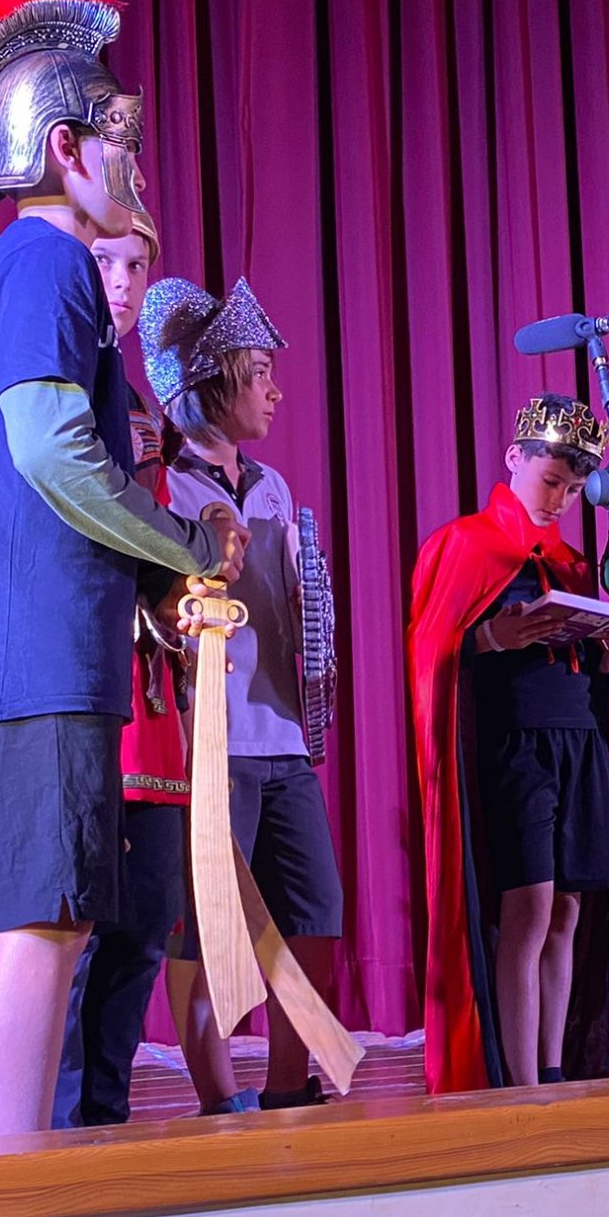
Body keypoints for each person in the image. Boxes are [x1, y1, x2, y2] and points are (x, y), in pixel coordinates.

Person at [0, 0, 245, 1138]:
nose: (135, 171)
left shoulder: (25, 266)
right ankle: (9, 1190)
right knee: (45, 923)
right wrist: (184, 545)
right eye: (121, 145)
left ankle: (18, 1175)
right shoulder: (46, 261)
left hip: (39, 652)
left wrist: (153, 578)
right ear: (65, 147)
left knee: (52, 920)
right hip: (31, 654)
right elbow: (53, 454)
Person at [147, 276, 350, 1113]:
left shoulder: (274, 490)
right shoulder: (163, 490)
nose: (274, 390)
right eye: (259, 371)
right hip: (208, 741)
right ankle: (216, 1097)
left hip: (281, 734)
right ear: (213, 380)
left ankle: (288, 1083)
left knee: (314, 910)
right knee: (208, 925)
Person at [407, 395, 609, 1093]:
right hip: (514, 744)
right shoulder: (465, 544)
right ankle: (520, 1083)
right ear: (514, 459)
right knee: (527, 910)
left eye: (573, 488)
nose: (559, 499)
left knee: (568, 911)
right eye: (550, 480)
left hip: (576, 738)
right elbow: (431, 651)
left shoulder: (575, 564)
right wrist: (491, 637)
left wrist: (606, 644)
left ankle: (554, 1070)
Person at [50, 208, 193, 1128]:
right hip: (82, 681)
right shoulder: (58, 384)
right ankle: (60, 1123)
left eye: (139, 265)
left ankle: (104, 1115)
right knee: (72, 924)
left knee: (145, 919)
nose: (125, 282)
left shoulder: (140, 407)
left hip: (152, 691)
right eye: (108, 261)